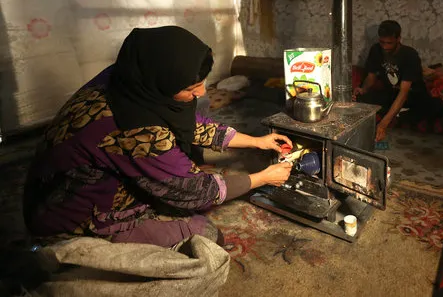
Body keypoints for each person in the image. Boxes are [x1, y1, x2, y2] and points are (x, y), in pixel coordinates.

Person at [22, 26, 293, 249]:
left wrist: (258, 141)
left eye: (202, 82)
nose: (201, 92)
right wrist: (264, 178)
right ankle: (70, 258)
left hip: (58, 188)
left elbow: (194, 126)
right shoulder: (138, 129)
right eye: (191, 87)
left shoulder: (126, 80)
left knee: (186, 154)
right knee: (207, 238)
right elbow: (197, 192)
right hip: (70, 218)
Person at [354, 20, 443, 141]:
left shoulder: (409, 55)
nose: (385, 46)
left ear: (398, 39)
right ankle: (398, 113)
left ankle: (397, 114)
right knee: (361, 99)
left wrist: (384, 124)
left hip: (413, 96)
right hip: (391, 94)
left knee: (437, 106)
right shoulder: (376, 50)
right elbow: (371, 77)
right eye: (382, 42)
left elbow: (404, 92)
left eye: (389, 43)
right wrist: (363, 90)